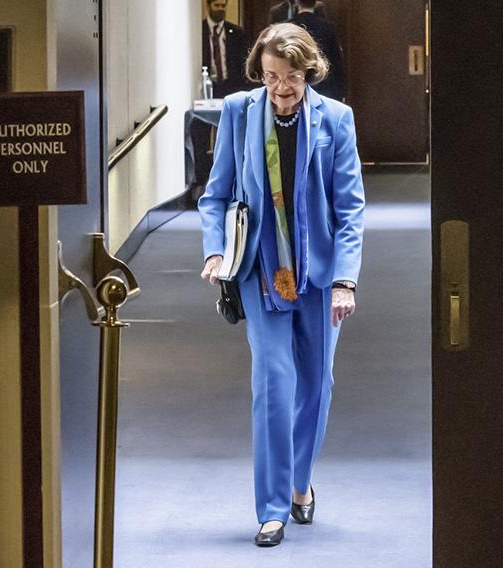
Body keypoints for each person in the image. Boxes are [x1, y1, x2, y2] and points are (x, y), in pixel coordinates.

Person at [198, 23, 364, 547]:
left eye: (291, 78)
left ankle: (299, 482)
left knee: (316, 384)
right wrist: (216, 249)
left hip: (316, 274)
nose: (281, 89)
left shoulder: (335, 120)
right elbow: (215, 194)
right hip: (262, 268)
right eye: (271, 77)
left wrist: (344, 281)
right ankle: (272, 509)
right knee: (273, 385)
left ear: (309, 72)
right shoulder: (239, 112)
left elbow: (350, 208)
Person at [290, 0, 346, 101]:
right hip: (323, 85)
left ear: (296, 2)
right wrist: (340, 92)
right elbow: (336, 63)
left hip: (294, 85)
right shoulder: (327, 27)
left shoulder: (288, 26)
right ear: (316, 3)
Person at [202, 0, 249, 97]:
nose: (220, 9)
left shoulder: (237, 33)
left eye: (223, 6)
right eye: (217, 5)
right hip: (207, 87)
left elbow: (243, 62)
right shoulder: (200, 30)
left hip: (232, 87)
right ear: (208, 6)